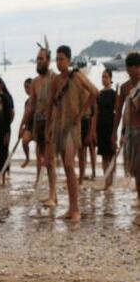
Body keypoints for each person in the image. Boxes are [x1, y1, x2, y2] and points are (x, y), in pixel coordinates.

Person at [47, 45, 98, 222]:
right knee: (67, 169)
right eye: (57, 58)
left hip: (73, 126)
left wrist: (81, 112)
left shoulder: (76, 76)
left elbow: (94, 92)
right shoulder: (55, 81)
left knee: (69, 164)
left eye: (61, 58)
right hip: (59, 126)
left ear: (68, 60)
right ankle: (71, 208)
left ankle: (75, 210)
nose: (59, 62)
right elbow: (52, 105)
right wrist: (48, 127)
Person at [19, 39, 57, 206]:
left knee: (50, 161)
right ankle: (48, 192)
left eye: (41, 59)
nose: (38, 61)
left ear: (48, 60)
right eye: (37, 59)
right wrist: (22, 124)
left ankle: (53, 195)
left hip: (52, 123)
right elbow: (31, 105)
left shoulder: (54, 78)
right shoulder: (34, 82)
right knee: (41, 157)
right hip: (38, 122)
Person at [113, 52, 140, 203]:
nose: (130, 71)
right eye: (128, 68)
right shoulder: (125, 87)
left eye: (133, 67)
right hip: (130, 132)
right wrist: (114, 133)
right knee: (135, 169)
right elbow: (118, 112)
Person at [96, 69, 117, 189]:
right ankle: (106, 181)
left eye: (106, 77)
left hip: (110, 125)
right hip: (101, 126)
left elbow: (117, 111)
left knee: (111, 155)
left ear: (110, 79)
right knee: (104, 155)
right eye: (102, 77)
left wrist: (115, 131)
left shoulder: (114, 94)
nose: (104, 79)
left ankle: (112, 182)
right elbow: (97, 112)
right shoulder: (99, 94)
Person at [79, 103, 97, 184]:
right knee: (81, 152)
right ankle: (82, 175)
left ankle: (93, 172)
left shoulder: (92, 98)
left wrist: (91, 132)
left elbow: (93, 116)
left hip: (88, 123)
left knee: (91, 150)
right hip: (80, 123)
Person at [20, 78, 33, 168]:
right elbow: (25, 116)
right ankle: (27, 158)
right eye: (25, 88)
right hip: (30, 126)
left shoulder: (39, 99)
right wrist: (22, 127)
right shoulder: (27, 102)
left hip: (40, 125)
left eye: (28, 87)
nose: (26, 90)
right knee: (24, 141)